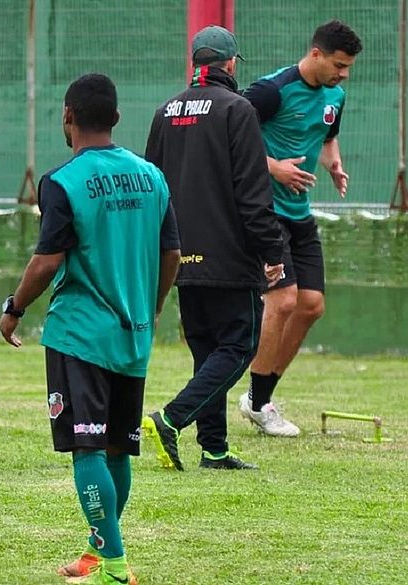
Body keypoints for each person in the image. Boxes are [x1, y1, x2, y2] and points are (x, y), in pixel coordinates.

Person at [0, 73, 180, 585]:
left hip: (80, 334)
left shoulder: (62, 181)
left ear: (67, 116)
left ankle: (117, 568)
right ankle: (99, 554)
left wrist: (14, 307)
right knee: (118, 446)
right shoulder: (152, 176)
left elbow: (46, 261)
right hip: (133, 332)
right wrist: (153, 305)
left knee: (87, 447)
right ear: (117, 119)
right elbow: (171, 253)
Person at [141, 26, 285, 472]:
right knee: (238, 348)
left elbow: (153, 188)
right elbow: (251, 191)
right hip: (229, 256)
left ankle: (215, 450)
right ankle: (170, 418)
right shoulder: (237, 109)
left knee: (208, 353)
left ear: (195, 63)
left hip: (180, 256)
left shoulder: (165, 112)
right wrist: (272, 250)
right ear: (230, 64)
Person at [240, 20, 362, 437]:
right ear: (315, 54)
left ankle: (260, 397)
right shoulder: (270, 91)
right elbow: (227, 134)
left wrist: (334, 163)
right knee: (285, 300)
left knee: (311, 306)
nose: (343, 74)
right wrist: (272, 167)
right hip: (265, 210)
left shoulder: (336, 96)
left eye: (347, 68)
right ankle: (258, 401)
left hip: (299, 212)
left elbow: (326, 137)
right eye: (339, 65)